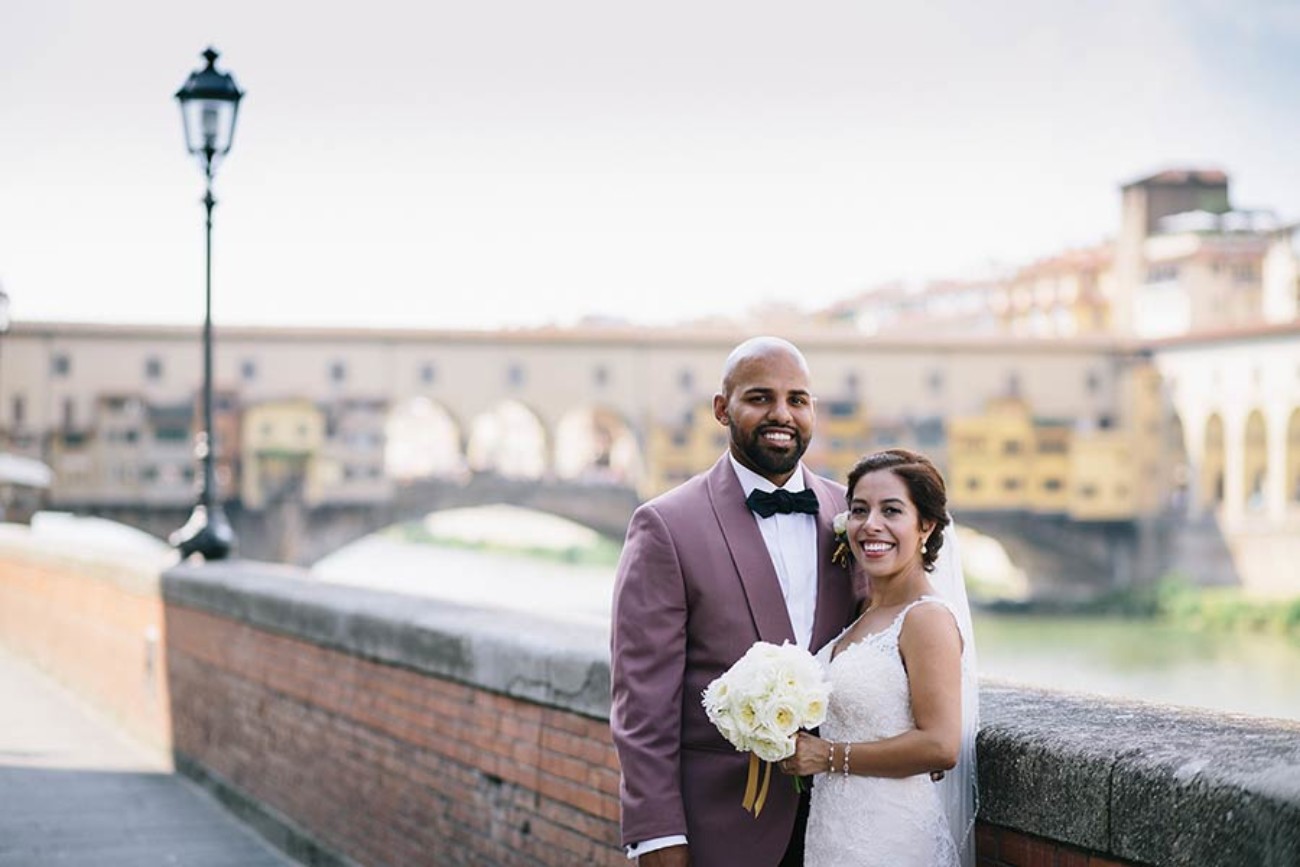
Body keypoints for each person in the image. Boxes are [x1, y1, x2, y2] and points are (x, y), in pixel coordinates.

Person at [610, 336, 862, 867]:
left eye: (797, 399)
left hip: (848, 823)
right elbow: (643, 704)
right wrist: (656, 835)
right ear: (722, 409)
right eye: (760, 397)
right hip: (724, 827)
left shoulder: (854, 516)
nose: (782, 414)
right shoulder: (666, 526)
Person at [778, 448, 978, 867]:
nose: (871, 524)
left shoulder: (926, 619)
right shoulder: (863, 614)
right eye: (859, 510)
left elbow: (940, 745)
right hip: (833, 833)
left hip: (890, 838)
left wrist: (827, 755)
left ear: (925, 525)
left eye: (891, 511)